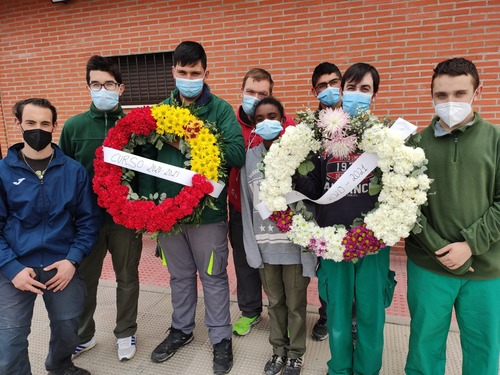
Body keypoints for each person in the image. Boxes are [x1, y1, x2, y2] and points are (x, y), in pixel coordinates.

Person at [145, 41, 245, 375]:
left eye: (195, 73)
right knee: (179, 276)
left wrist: (196, 139)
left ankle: (220, 338)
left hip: (209, 213)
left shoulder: (219, 109)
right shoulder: (159, 111)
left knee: (213, 276)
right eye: (183, 72)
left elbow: (236, 154)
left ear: (205, 72)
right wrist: (149, 208)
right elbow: (146, 161)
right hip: (169, 214)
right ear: (173, 71)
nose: (189, 78)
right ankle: (181, 330)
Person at [295, 63, 395, 375]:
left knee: (370, 315)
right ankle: (339, 369)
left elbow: (398, 190)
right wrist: (289, 165)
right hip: (333, 241)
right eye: (351, 88)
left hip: (372, 243)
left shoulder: (386, 139)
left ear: (374, 95)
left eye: (364, 89)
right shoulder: (321, 136)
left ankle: (367, 370)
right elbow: (312, 187)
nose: (356, 95)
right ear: (342, 92)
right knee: (337, 315)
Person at [405, 57, 500, 375]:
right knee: (424, 346)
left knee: (483, 348)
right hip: (430, 265)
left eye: (460, 93)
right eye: (441, 95)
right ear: (431, 94)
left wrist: (470, 244)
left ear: (478, 91)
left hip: (485, 267)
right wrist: (438, 247)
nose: (450, 102)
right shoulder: (415, 145)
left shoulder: (496, 141)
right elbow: (405, 204)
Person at [0, 98, 101, 375]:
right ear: (18, 123)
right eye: (30, 123)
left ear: (55, 126)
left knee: (69, 327)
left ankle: (60, 366)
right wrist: (12, 268)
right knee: (10, 340)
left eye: (45, 123)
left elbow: (88, 222)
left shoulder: (73, 170)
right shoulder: (3, 172)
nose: (38, 129)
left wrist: (73, 261)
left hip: (61, 263)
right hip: (16, 266)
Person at [59, 55, 143, 361]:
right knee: (85, 280)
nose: (102, 89)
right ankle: (84, 335)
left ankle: (125, 332)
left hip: (125, 221)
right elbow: (64, 175)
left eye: (108, 83)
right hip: (87, 223)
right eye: (96, 84)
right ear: (88, 87)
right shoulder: (74, 127)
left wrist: (144, 212)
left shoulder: (135, 127)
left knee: (127, 278)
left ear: (120, 88)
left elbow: (146, 173)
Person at [240, 96, 316, 375]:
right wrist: (251, 248)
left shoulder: (297, 156)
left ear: (283, 122)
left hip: (294, 247)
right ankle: (277, 350)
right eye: (259, 118)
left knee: (296, 305)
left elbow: (310, 205)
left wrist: (310, 249)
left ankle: (295, 353)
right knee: (274, 304)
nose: (266, 122)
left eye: (272, 116)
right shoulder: (250, 158)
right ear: (253, 124)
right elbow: (247, 206)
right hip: (264, 247)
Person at [228, 68, 295, 337]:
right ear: (241, 92)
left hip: (277, 212)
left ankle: (285, 310)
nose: (256, 98)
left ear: (271, 95)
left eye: (263, 94)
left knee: (279, 264)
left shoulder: (284, 125)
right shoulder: (230, 122)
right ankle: (250, 311)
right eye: (251, 92)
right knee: (244, 261)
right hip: (240, 207)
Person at [307, 62, 344, 342]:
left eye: (335, 82)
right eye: (323, 85)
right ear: (315, 91)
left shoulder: (359, 120)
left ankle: (352, 318)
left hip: (355, 206)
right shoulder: (309, 128)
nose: (329, 89)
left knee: (355, 266)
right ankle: (326, 314)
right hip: (322, 208)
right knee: (326, 268)